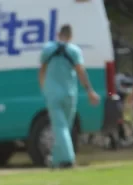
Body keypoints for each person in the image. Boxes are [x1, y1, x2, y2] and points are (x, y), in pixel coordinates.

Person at [37, 24, 100, 169]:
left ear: (58, 34)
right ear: (71, 36)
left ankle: (63, 159)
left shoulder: (48, 49)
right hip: (69, 93)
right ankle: (60, 159)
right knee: (65, 126)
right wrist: (90, 90)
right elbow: (81, 72)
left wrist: (43, 89)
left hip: (52, 93)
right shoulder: (74, 50)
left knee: (60, 127)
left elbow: (42, 71)